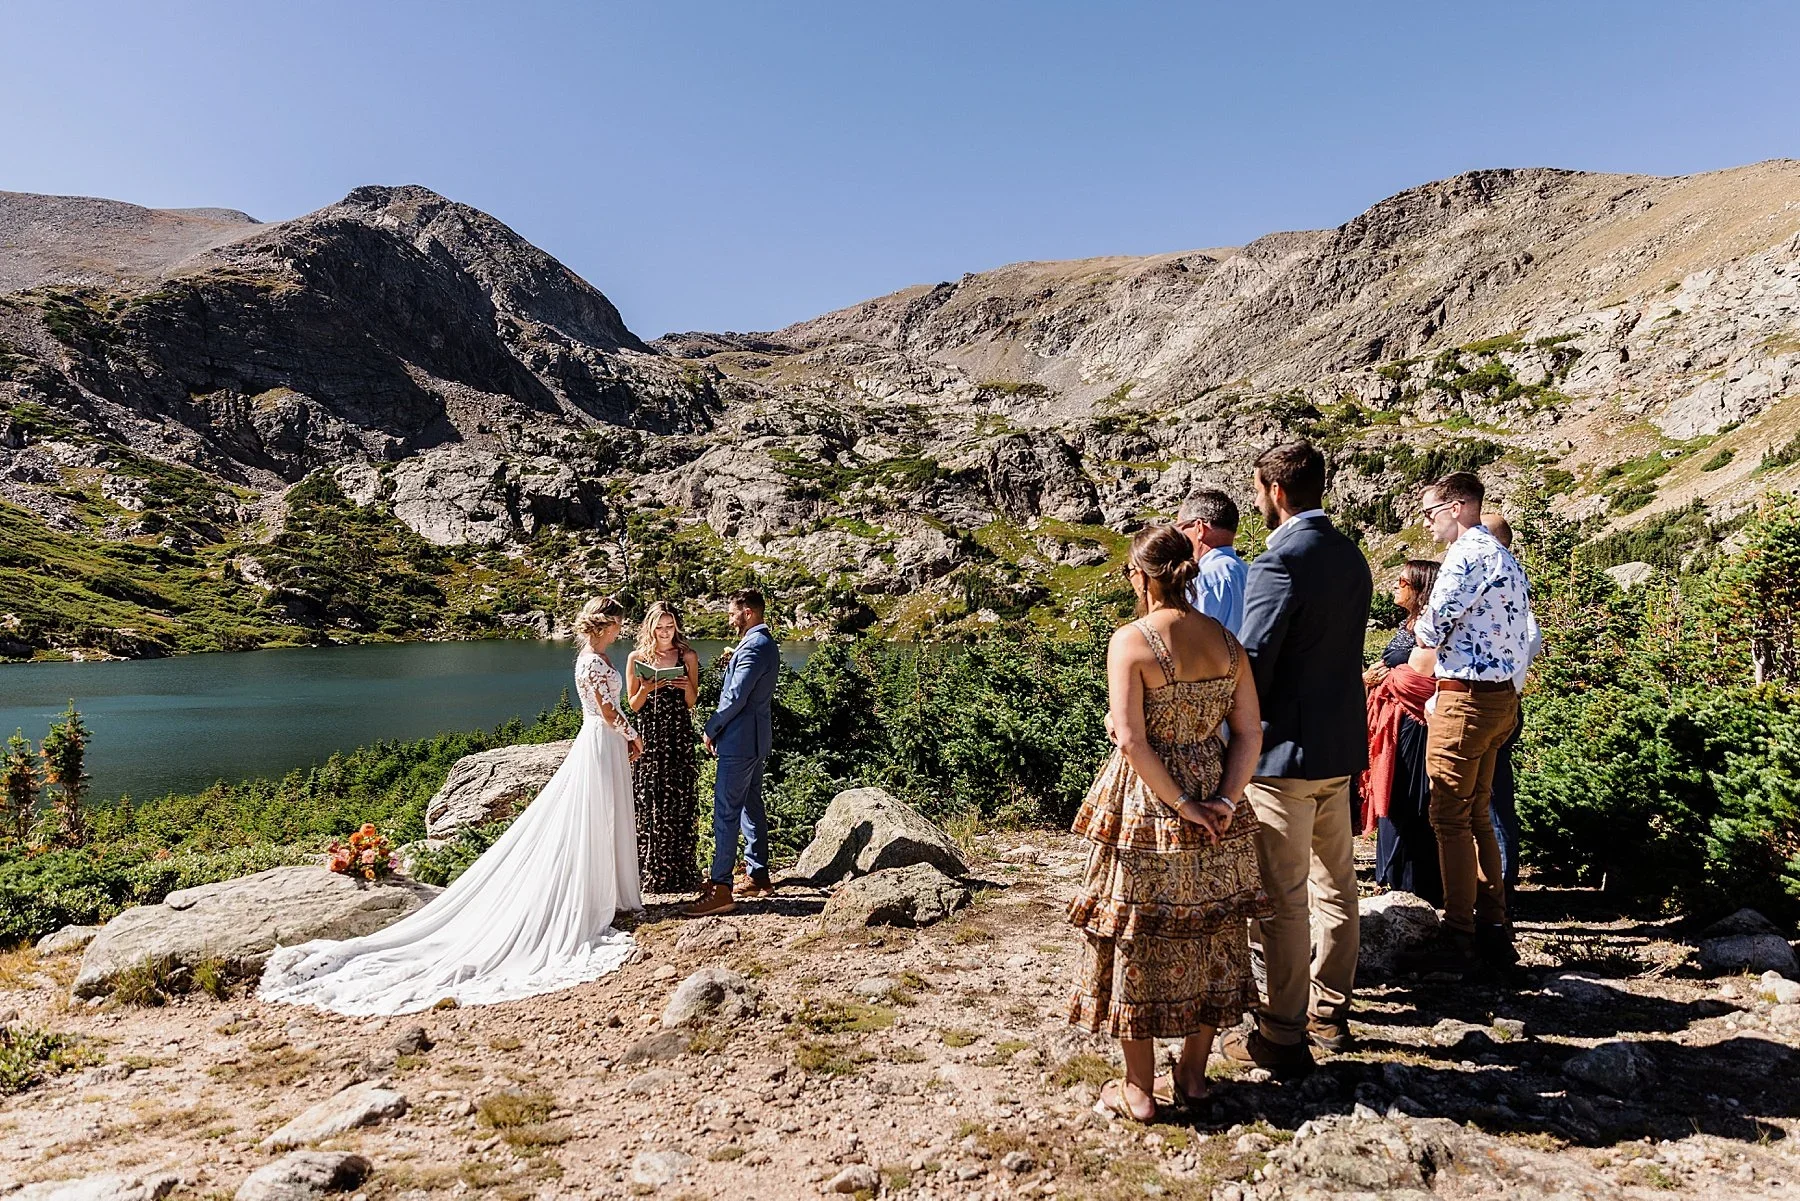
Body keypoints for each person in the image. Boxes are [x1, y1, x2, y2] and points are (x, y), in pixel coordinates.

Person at [257, 597, 645, 1015]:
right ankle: (597, 895)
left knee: (596, 815)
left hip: (596, 742)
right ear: (604, 626)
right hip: (601, 741)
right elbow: (606, 712)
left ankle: (607, 892)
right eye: (618, 624)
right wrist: (633, 735)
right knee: (592, 815)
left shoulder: (589, 657)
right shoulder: (593, 661)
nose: (620, 631)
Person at [1067, 524, 1267, 1122]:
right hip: (1216, 791)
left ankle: (1137, 1089)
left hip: (1149, 803)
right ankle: (1194, 1078)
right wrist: (1224, 803)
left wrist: (1182, 803)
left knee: (1137, 933)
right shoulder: (1228, 643)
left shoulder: (1131, 642)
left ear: (1141, 576)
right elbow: (1251, 731)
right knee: (1212, 931)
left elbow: (1131, 739)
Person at [1222, 441, 1372, 1076]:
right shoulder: (1351, 555)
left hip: (1282, 755)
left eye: (1259, 490)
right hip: (1338, 747)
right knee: (1337, 884)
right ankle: (1330, 1010)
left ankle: (1282, 1032)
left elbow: (1251, 661)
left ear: (1276, 492)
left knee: (1283, 897)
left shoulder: (1278, 562)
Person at [1407, 475, 1536, 974]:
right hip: (1501, 699)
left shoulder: (1465, 555)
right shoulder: (1504, 555)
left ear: (1457, 507)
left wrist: (1426, 637)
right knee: (1479, 813)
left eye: (1430, 511)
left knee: (1450, 818)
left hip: (1464, 700)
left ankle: (1457, 931)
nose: (1427, 521)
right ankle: (1493, 926)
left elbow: (1429, 626)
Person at [686, 590, 781, 917]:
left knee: (725, 812)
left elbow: (736, 697)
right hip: (754, 739)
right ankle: (757, 875)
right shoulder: (762, 643)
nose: (729, 619)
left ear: (749, 613)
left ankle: (720, 888)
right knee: (750, 805)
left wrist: (711, 728)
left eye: (733, 613)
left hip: (740, 741)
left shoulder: (754, 646)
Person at [1363, 561, 1443, 906]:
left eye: (1402, 582)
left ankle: (1413, 884)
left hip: (1414, 722)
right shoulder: (1407, 626)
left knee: (1408, 799)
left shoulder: (1427, 629)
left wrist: (1387, 678)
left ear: (1419, 588)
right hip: (1393, 719)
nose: (1395, 588)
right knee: (1392, 793)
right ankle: (1390, 877)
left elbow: (1421, 680)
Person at [626, 601, 702, 895]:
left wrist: (685, 687)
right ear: (650, 627)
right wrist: (646, 688)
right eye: (659, 627)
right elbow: (633, 704)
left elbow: (693, 702)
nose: (665, 632)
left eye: (669, 626)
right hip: (649, 734)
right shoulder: (637, 657)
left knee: (678, 799)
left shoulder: (688, 655)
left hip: (677, 735)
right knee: (649, 799)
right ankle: (650, 872)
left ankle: (680, 872)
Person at [1177, 490, 1249, 636]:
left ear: (1199, 528)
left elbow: (1189, 640)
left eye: (1180, 528)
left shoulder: (1200, 580)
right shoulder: (1248, 572)